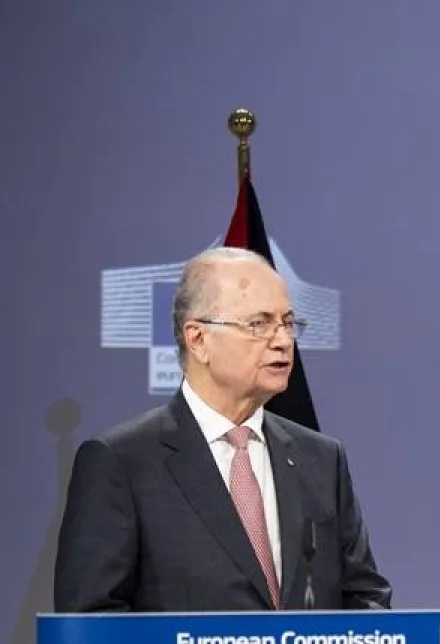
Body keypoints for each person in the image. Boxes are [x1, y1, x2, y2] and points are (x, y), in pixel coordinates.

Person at [54, 247, 391, 613]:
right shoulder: (122, 463)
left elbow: (365, 600)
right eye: (258, 324)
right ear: (198, 339)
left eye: (288, 323)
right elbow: (91, 623)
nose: (282, 341)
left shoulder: (321, 459)